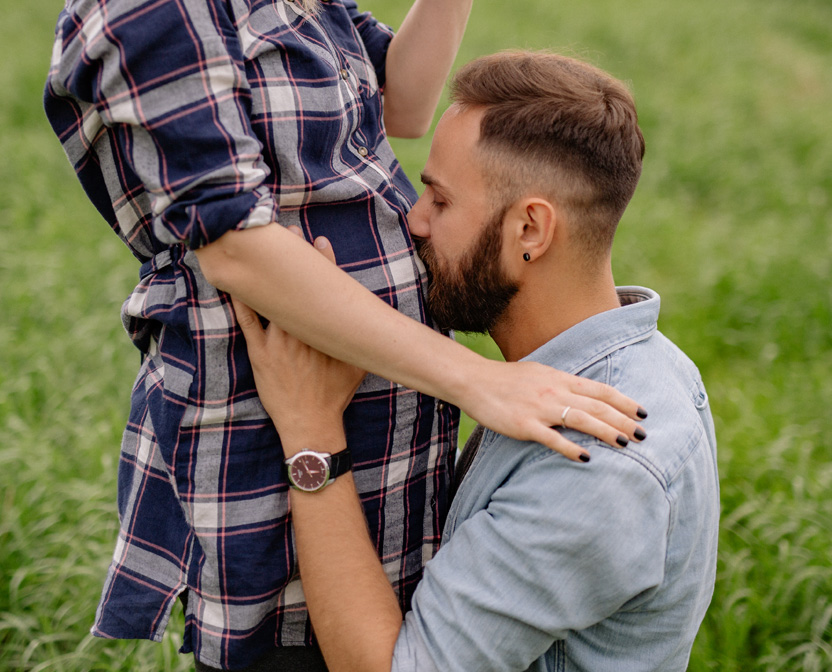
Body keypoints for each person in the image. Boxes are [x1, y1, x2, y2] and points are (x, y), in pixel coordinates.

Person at [44, 0, 646, 667]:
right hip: (269, 431)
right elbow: (230, 241)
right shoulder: (161, 10)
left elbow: (406, 106)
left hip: (383, 434)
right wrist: (479, 379)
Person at [233, 50, 719, 672]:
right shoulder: (643, 364)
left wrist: (310, 432)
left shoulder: (595, 463)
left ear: (529, 232)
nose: (415, 220)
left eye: (439, 199)